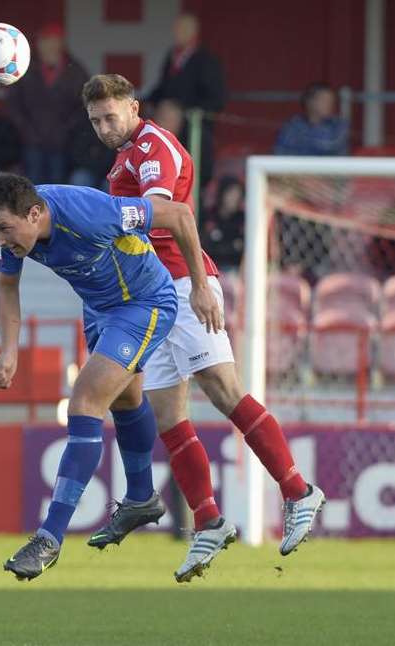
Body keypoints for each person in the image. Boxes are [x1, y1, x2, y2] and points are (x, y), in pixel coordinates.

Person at [83, 74, 324, 581]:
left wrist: (197, 283)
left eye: (110, 116)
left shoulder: (154, 148)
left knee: (222, 388)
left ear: (133, 106)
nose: (104, 127)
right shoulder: (124, 156)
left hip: (179, 285)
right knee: (168, 413)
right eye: (96, 120)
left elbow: (166, 213)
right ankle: (209, 521)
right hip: (148, 296)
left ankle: (298, 490)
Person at [0, 172, 223, 581]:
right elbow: (6, 288)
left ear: (35, 213)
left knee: (86, 400)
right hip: (99, 309)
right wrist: (9, 349)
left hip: (146, 301)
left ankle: (49, 537)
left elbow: (178, 214)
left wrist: (200, 287)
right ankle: (142, 497)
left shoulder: (91, 213)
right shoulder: (13, 237)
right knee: (126, 400)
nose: (1, 240)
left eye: (4, 229)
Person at [145, 13, 226, 189]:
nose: (176, 33)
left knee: (189, 180)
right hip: (169, 131)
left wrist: (185, 111)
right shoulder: (171, 57)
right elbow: (163, 87)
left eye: (181, 29)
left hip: (194, 134)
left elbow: (217, 99)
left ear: (193, 33)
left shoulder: (206, 60)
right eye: (175, 28)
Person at [5, 23, 89, 185]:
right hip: (31, 141)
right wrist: (26, 130)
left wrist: (67, 130)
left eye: (53, 41)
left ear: (61, 43)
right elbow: (13, 103)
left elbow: (84, 106)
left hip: (63, 142)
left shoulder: (76, 71)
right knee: (32, 186)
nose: (48, 46)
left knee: (58, 186)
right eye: (44, 41)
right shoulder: (24, 68)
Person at [274, 82, 350, 156]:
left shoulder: (338, 125)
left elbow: (330, 144)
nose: (329, 104)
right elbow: (281, 154)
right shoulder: (292, 127)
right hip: (300, 168)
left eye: (331, 101)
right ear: (310, 102)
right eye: (324, 100)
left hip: (332, 168)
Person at [201, 176, 245, 272]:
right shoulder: (209, 215)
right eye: (231, 194)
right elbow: (204, 246)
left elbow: (242, 249)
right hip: (210, 268)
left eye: (238, 195)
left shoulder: (242, 219)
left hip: (235, 271)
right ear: (222, 193)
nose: (234, 199)